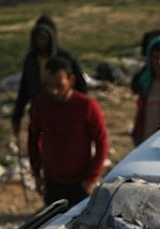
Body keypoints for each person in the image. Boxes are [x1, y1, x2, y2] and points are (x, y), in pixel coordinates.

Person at [27, 56, 109, 205]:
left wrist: (91, 178)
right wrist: (37, 174)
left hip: (80, 182)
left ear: (71, 80)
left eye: (59, 85)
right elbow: (33, 138)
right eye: (49, 85)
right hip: (52, 182)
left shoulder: (87, 106)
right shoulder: (41, 104)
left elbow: (102, 141)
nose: (54, 91)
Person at [12, 15, 87, 136]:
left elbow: (81, 86)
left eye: (44, 38)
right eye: (38, 38)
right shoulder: (31, 60)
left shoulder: (66, 59)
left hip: (63, 109)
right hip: (39, 110)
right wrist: (17, 116)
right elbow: (24, 89)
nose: (41, 42)